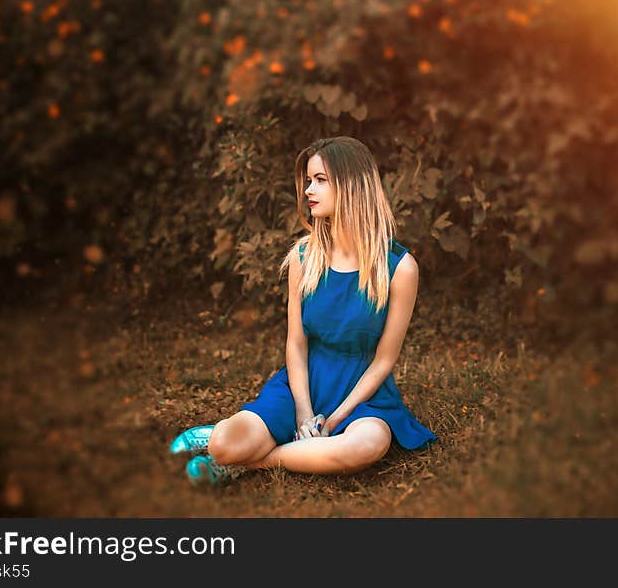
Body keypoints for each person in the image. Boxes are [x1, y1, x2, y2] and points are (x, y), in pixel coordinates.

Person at [170, 136, 438, 485]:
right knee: (223, 444)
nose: (309, 190)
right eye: (309, 180)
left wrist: (335, 419)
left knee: (366, 446)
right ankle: (232, 448)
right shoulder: (304, 258)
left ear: (353, 185)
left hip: (364, 395)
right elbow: (296, 343)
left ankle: (249, 464)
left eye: (320, 180)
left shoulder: (400, 268)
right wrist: (304, 413)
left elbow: (384, 359)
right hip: (303, 384)